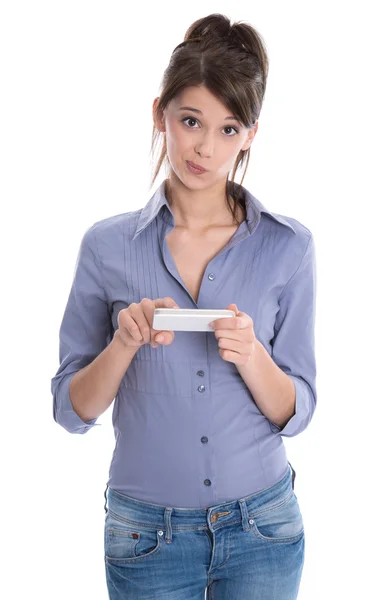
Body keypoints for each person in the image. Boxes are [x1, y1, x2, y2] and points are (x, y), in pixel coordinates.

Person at [51, 12, 317, 600]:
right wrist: (123, 343)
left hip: (263, 531)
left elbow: (298, 411)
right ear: (160, 115)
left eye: (228, 129)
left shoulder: (288, 247)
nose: (204, 147)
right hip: (146, 537)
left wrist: (251, 356)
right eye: (190, 120)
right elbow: (70, 410)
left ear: (250, 135)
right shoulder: (107, 246)